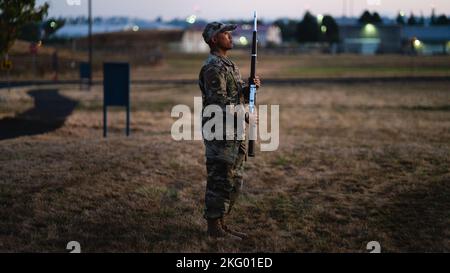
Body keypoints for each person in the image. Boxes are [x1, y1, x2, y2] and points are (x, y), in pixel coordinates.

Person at [198, 22, 261, 240]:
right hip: (219, 132)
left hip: (234, 131)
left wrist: (248, 88)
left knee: (234, 180)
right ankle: (214, 227)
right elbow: (218, 102)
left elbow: (234, 96)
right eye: (225, 33)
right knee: (220, 179)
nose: (230, 36)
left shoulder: (229, 65)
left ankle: (222, 223)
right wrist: (244, 113)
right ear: (214, 39)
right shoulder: (213, 67)